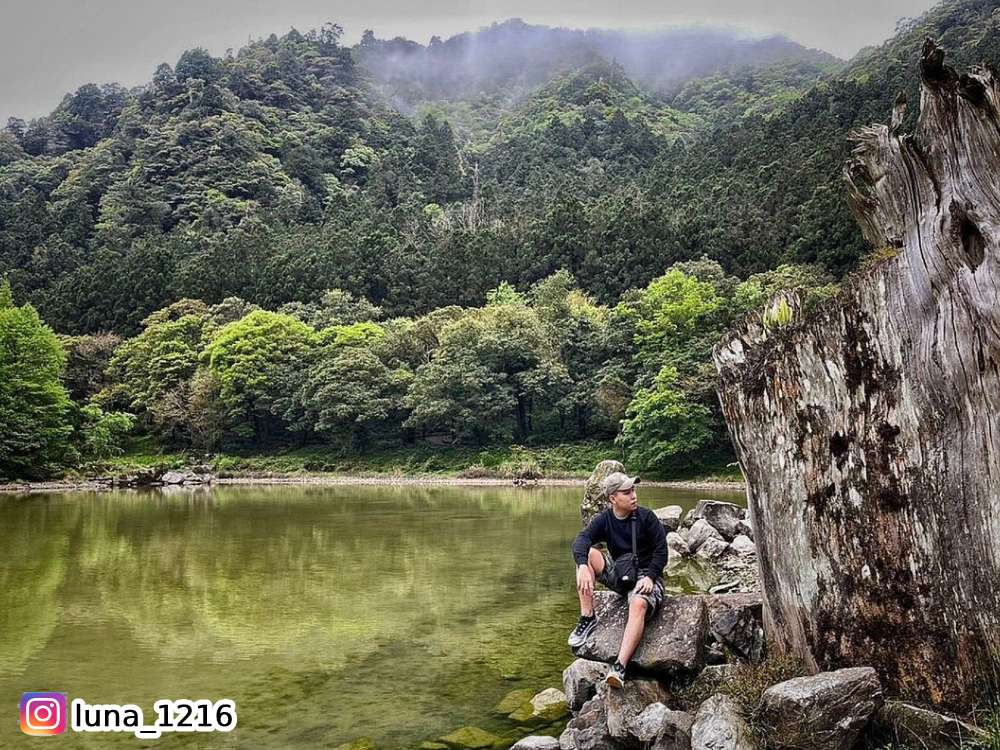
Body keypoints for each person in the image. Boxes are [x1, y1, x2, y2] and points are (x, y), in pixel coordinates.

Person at [567, 471, 667, 688]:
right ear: (613, 498)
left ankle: (619, 666)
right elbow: (581, 540)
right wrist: (583, 565)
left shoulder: (646, 517)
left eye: (634, 490)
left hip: (646, 577)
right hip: (622, 573)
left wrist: (650, 577)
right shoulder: (604, 520)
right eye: (627, 491)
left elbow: (662, 551)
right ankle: (587, 617)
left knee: (638, 602)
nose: (633, 495)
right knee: (587, 555)